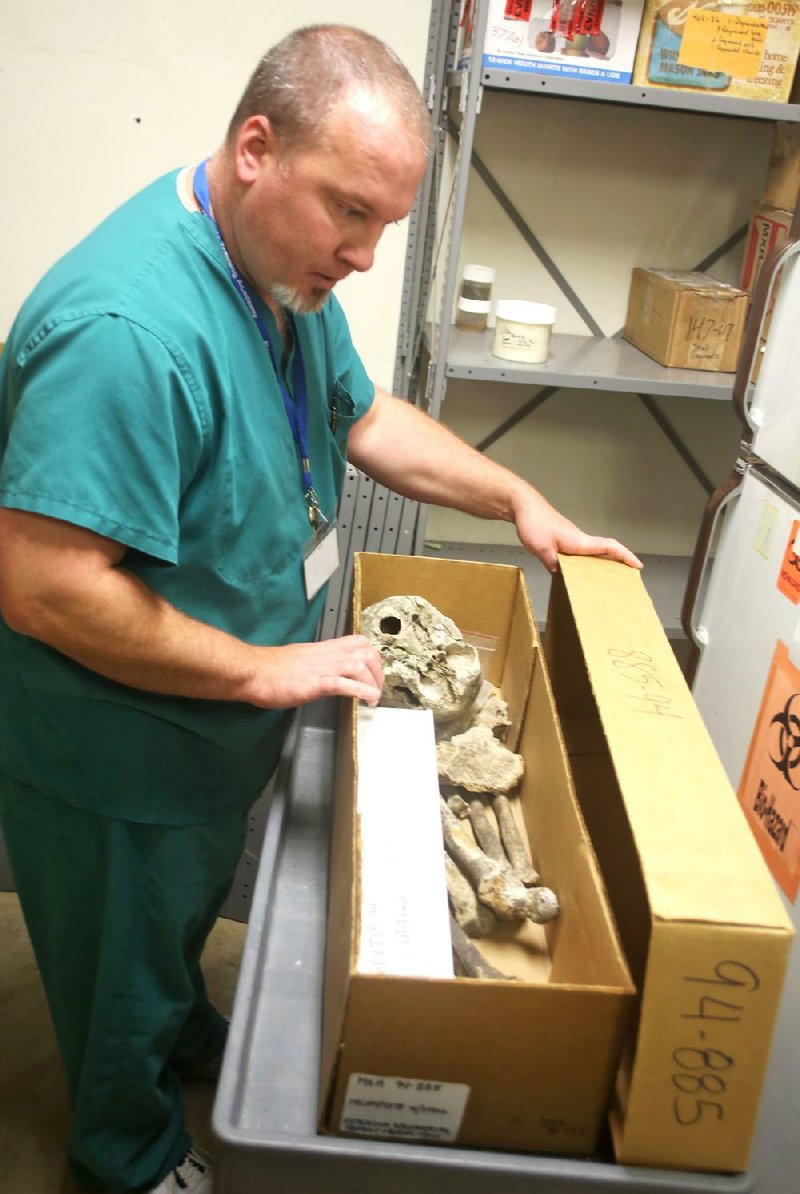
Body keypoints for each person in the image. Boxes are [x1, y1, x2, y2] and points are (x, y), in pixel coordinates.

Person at [0, 23, 641, 1194]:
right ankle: (126, 1151)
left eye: (385, 224)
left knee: (169, 929)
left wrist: (516, 499)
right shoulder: (126, 335)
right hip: (119, 751)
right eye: (349, 212)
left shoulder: (274, 276)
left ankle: (171, 1023)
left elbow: (359, 417)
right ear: (255, 148)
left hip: (209, 731)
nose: (361, 253)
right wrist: (259, 669)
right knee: (116, 957)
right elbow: (45, 587)